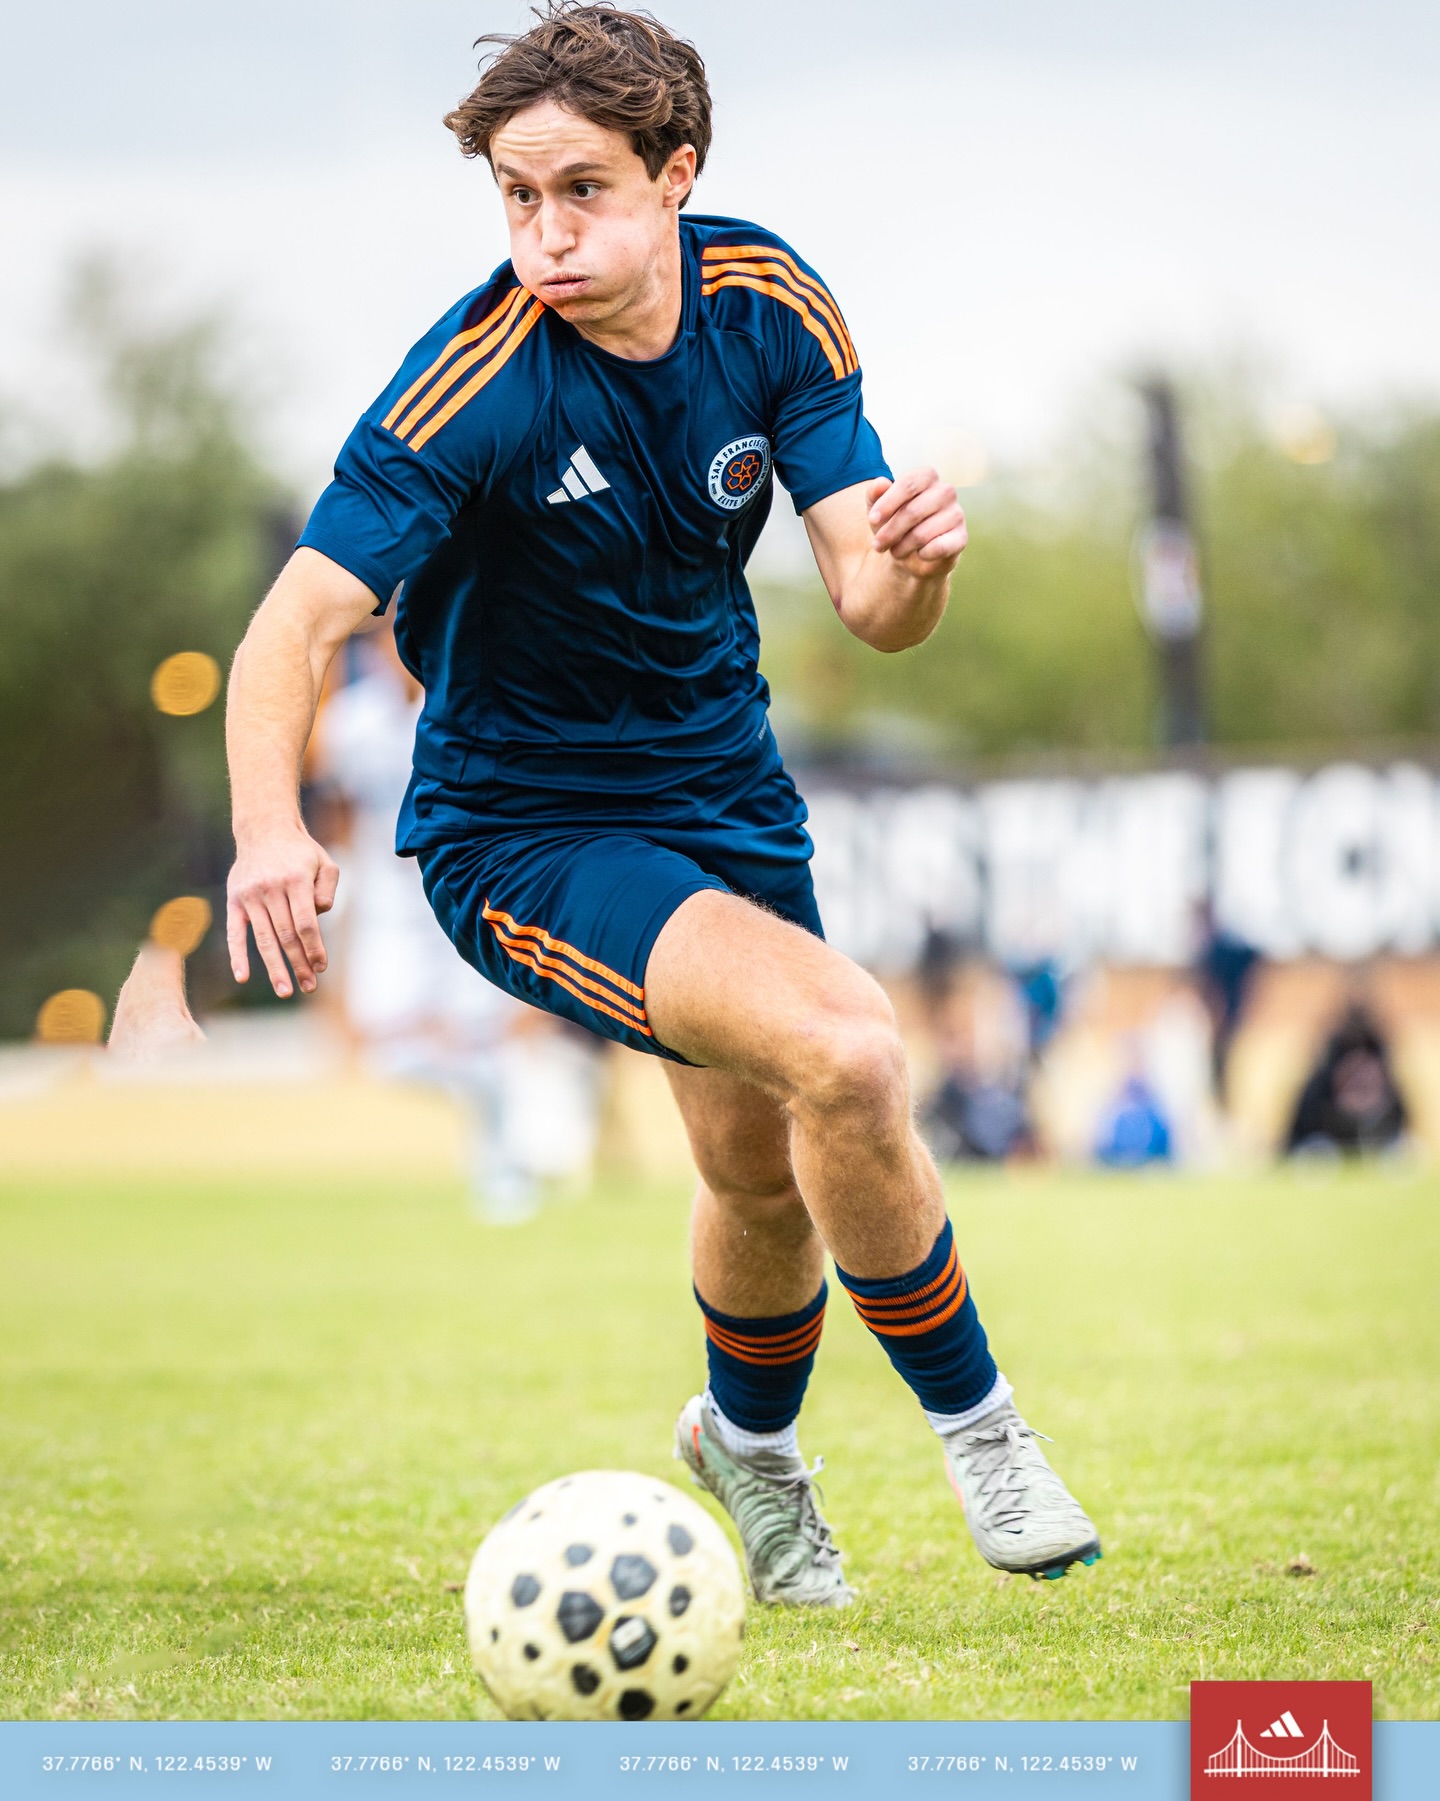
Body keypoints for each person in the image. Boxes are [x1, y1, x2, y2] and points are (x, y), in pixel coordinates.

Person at [224, 3, 1098, 1606]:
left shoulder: (768, 307)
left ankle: (748, 1452)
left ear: (676, 174)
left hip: (727, 795)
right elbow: (293, 624)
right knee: (846, 1044)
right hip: (527, 833)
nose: (544, 235)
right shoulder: (469, 387)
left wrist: (917, 568)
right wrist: (270, 828)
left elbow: (868, 598)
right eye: (513, 196)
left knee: (764, 1164)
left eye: (582, 190)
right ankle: (982, 1424)